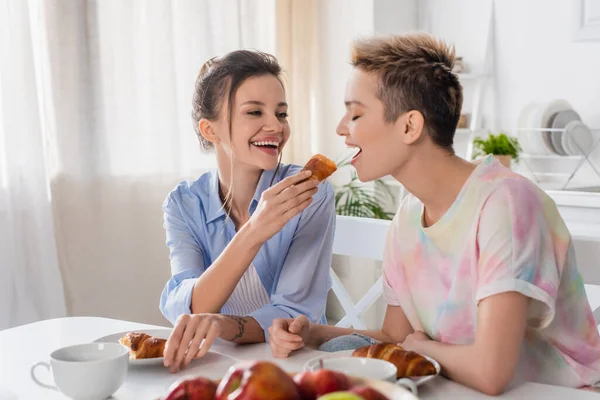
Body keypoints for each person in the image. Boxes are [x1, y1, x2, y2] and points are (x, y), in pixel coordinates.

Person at [267, 33, 600, 394]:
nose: (341, 128)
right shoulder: (407, 219)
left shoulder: (507, 204)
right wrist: (314, 333)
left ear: (410, 126)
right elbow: (396, 337)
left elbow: (491, 373)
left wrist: (422, 348)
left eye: (356, 113)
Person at [159, 50, 335, 373]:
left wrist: (224, 326)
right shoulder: (183, 205)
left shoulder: (309, 192)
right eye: (254, 112)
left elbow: (294, 317)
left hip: (293, 367)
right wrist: (254, 231)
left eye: (281, 114)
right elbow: (189, 305)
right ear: (210, 130)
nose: (276, 126)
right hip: (217, 366)